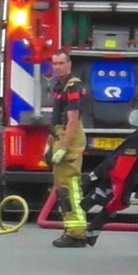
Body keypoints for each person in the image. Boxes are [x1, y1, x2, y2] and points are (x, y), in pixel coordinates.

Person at [46, 51, 90, 248]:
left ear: (69, 64)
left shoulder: (73, 86)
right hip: (59, 134)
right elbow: (56, 118)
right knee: (62, 187)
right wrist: (49, 144)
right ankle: (71, 229)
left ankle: (77, 233)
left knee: (70, 189)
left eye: (61, 63)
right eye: (54, 64)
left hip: (69, 138)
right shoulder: (59, 85)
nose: (57, 67)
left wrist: (63, 147)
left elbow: (72, 120)